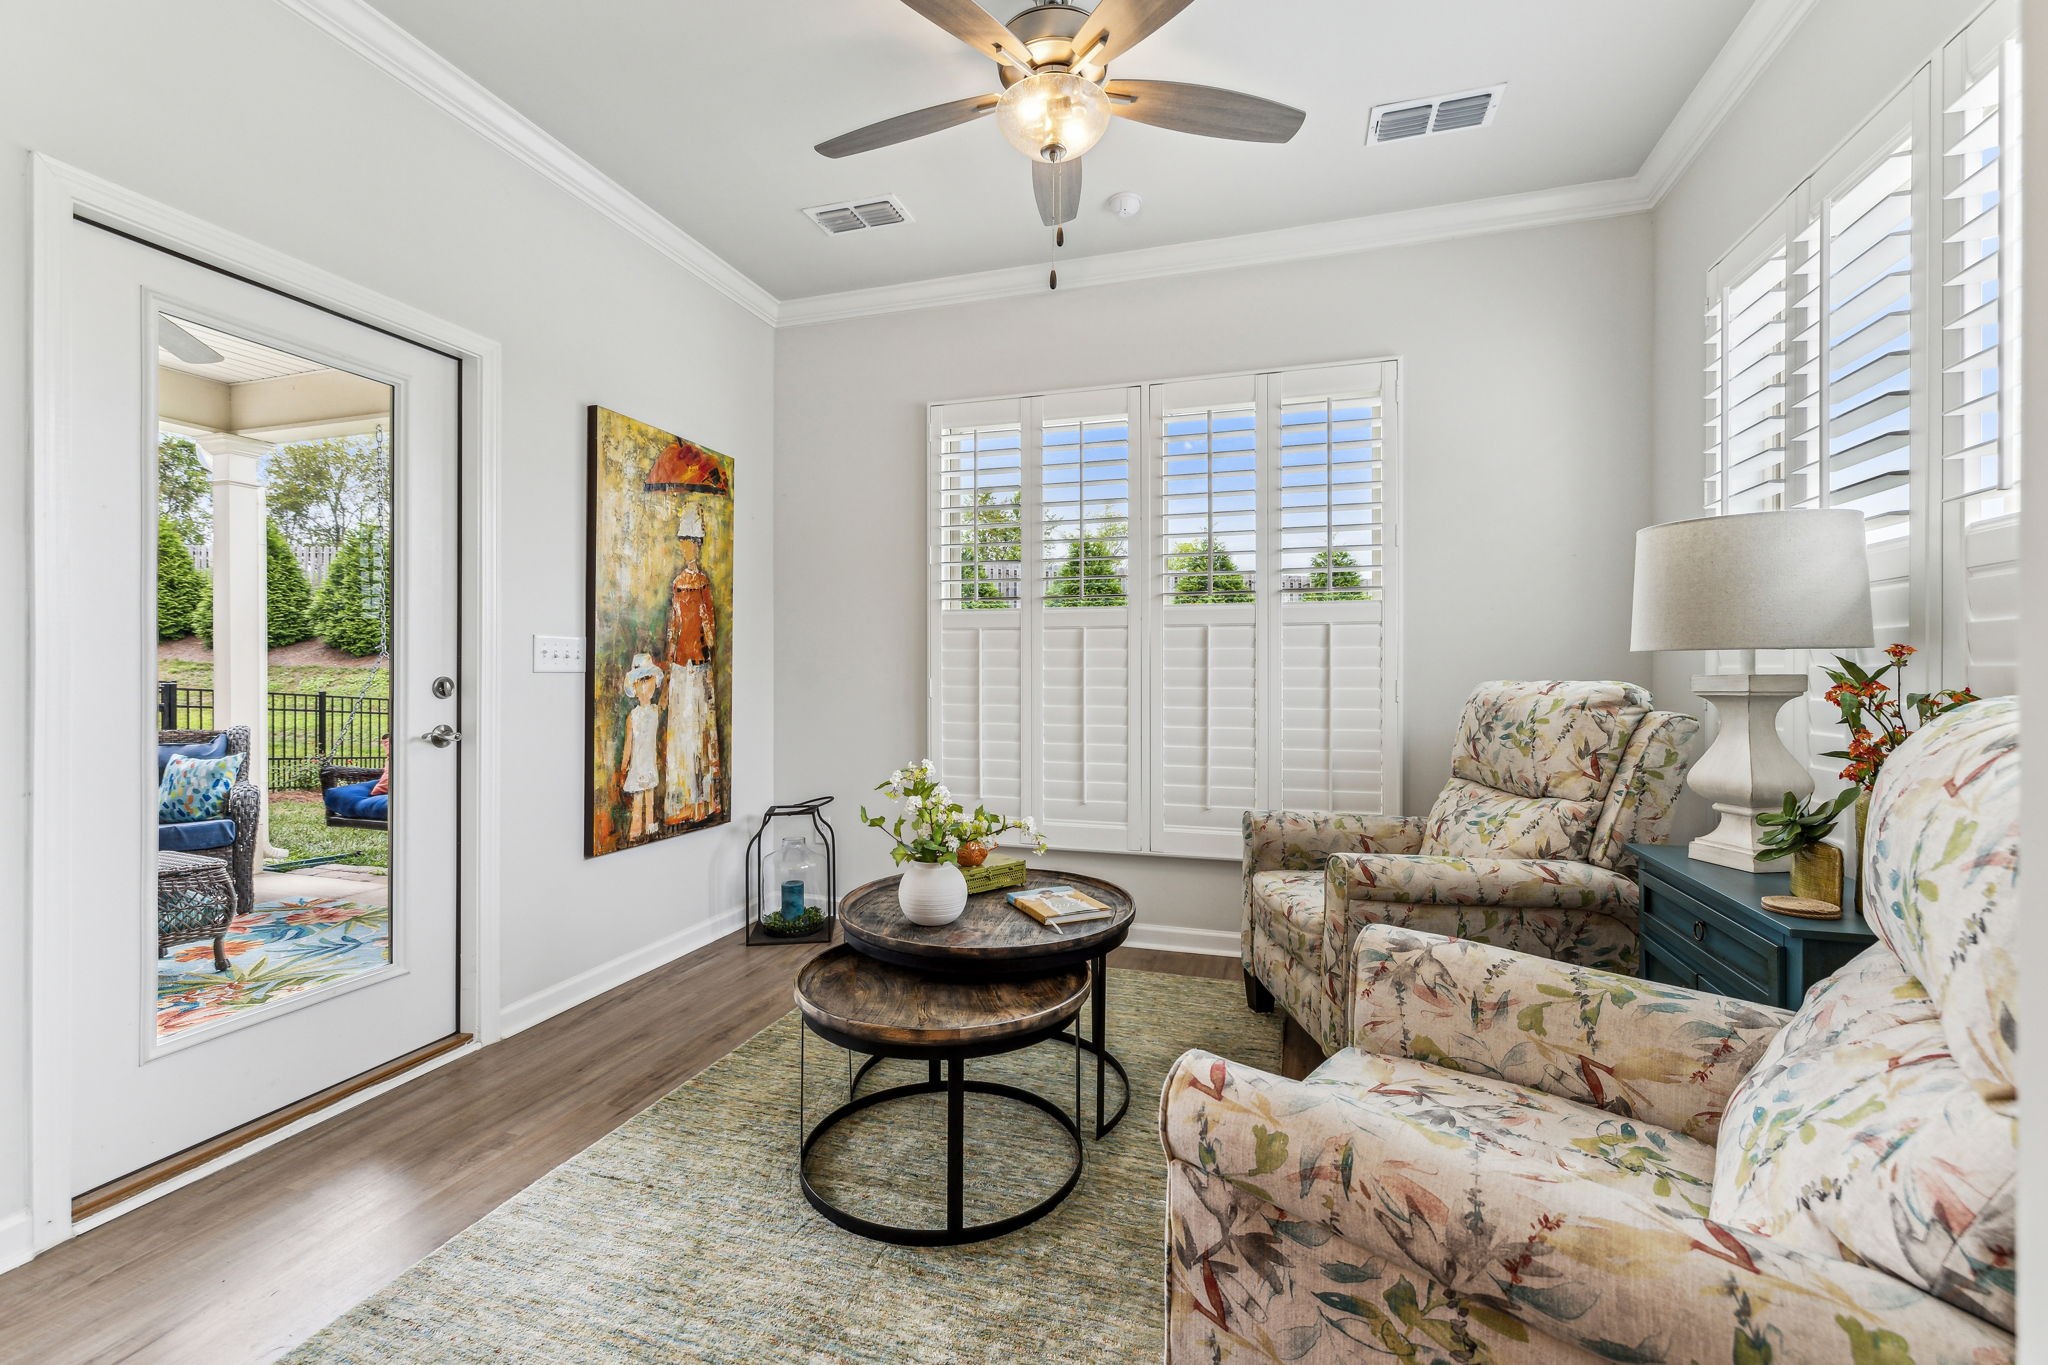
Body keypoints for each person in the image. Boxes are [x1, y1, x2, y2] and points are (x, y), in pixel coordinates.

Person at [663, 505, 722, 825]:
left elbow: (707, 624)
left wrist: (704, 647)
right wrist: (673, 653)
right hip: (682, 665)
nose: (690, 548)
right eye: (686, 542)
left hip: (697, 664)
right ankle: (684, 802)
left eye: (694, 542)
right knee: (685, 733)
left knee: (699, 731)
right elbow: (675, 625)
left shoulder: (702, 583)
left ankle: (703, 801)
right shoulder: (679, 583)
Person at [619, 654, 663, 840]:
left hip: (650, 763)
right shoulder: (633, 716)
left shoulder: (656, 712)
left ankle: (650, 829)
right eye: (641, 681)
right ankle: (635, 832)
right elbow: (628, 744)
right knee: (638, 798)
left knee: (650, 798)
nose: (646, 686)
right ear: (634, 687)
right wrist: (623, 768)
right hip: (637, 765)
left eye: (649, 679)